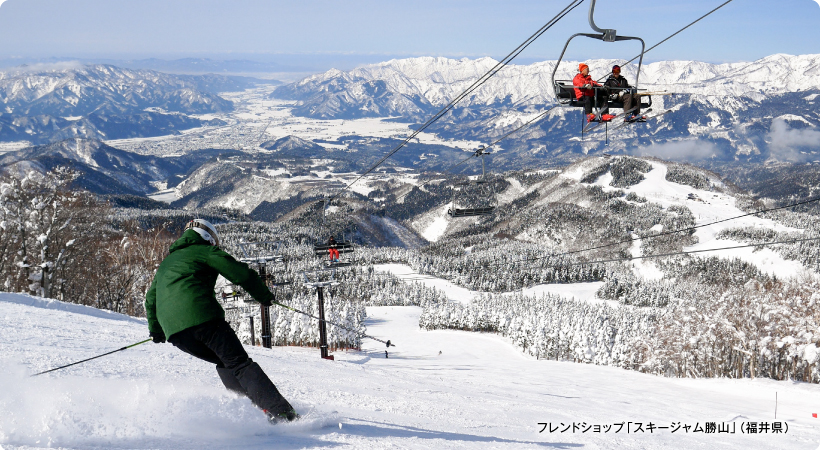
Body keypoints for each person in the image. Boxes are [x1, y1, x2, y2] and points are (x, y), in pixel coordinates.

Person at [145, 219, 298, 423]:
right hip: (204, 319)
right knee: (239, 363)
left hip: (176, 334)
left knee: (225, 362)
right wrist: (263, 295)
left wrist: (157, 330)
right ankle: (283, 414)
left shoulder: (167, 262)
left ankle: (250, 413)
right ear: (208, 237)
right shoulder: (203, 250)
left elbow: (151, 299)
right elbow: (240, 273)